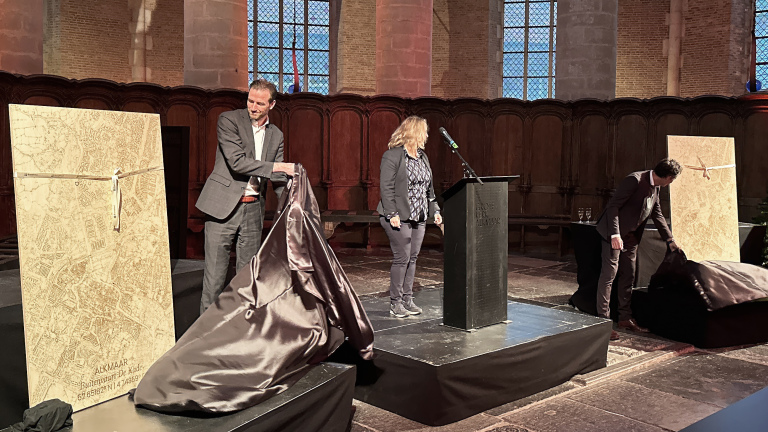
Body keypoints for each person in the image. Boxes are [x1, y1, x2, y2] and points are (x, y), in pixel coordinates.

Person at [195, 79, 295, 314]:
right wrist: (279, 168)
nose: (253, 106)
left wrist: (290, 205)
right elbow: (238, 163)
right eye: (250, 100)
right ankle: (205, 339)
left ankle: (239, 333)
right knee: (214, 280)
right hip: (223, 207)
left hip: (252, 210)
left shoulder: (276, 135)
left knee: (246, 279)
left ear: (272, 104)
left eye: (260, 103)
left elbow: (278, 180)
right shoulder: (229, 120)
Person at [595, 158, 683, 340]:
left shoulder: (656, 187)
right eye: (672, 179)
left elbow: (657, 214)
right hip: (614, 233)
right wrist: (615, 235)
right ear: (666, 176)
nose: (671, 183)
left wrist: (670, 240)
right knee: (609, 275)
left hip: (631, 237)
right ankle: (603, 323)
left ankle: (624, 318)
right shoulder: (634, 180)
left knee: (629, 274)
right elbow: (613, 207)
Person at [377, 116, 442, 318]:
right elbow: (386, 187)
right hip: (398, 215)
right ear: (415, 132)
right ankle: (395, 303)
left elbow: (428, 189)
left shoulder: (422, 156)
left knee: (412, 258)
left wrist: (436, 211)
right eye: (425, 131)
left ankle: (407, 298)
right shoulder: (393, 156)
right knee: (402, 257)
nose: (427, 135)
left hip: (419, 215)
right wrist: (391, 213)